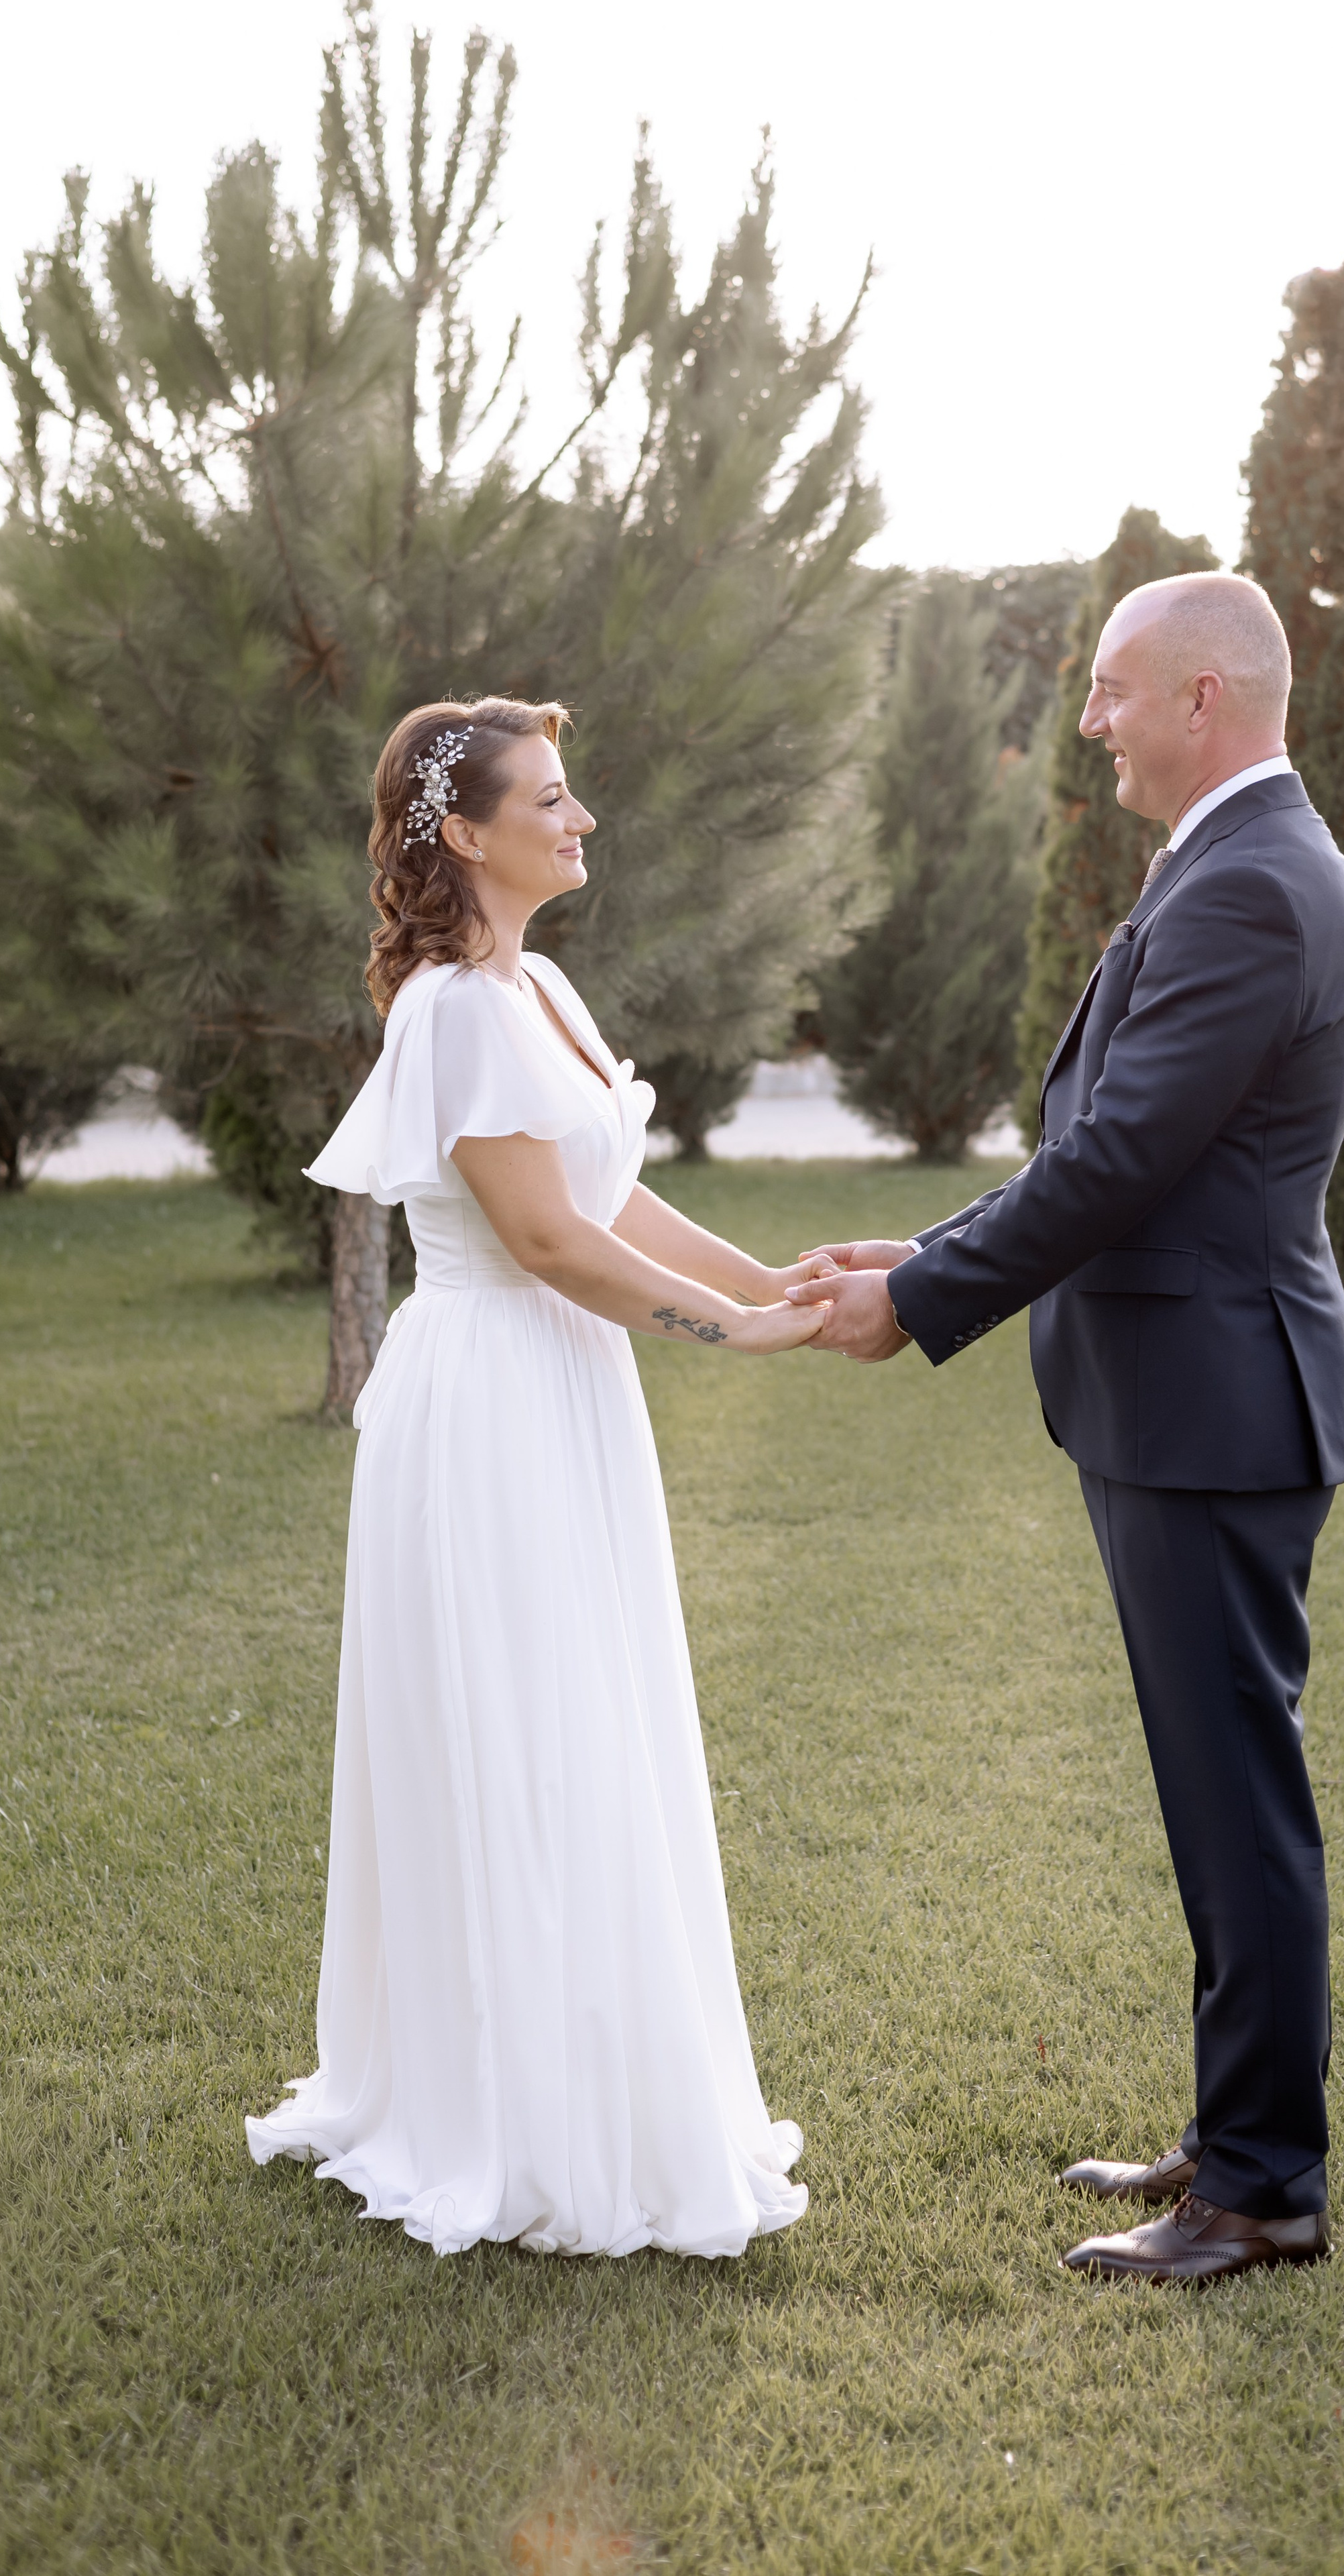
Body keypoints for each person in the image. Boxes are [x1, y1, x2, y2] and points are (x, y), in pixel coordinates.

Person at [787, 574, 1344, 2283]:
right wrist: (926, 1249)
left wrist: (917, 1304)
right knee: (1214, 1801)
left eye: (1112, 691)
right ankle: (1235, 2133)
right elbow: (1117, 1146)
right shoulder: (1229, 861)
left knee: (1235, 1799)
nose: (1088, 719)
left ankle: (1263, 2188)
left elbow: (1119, 1164)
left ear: (1203, 697)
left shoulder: (1251, 885)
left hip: (1211, 1412)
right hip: (1181, 1403)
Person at [247, 695, 832, 2259]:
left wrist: (782, 1283)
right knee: (518, 1728)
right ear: (463, 832)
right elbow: (544, 1243)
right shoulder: (446, 1010)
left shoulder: (543, 985)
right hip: (493, 1395)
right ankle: (506, 2114)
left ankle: (595, 2069)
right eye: (553, 800)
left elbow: (615, 1206)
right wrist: (744, 1340)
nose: (581, 822)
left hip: (570, 1387)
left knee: (593, 1716)